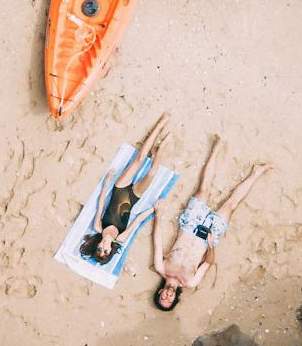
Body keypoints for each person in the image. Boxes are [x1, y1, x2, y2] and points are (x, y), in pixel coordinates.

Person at [151, 133, 269, 311]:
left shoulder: (161, 267)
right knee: (230, 205)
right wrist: (212, 245)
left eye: (163, 298)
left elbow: (157, 240)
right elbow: (207, 264)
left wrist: (159, 215)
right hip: (207, 239)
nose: (167, 296)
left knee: (204, 190)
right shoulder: (190, 281)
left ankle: (217, 147)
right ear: (175, 298)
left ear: (159, 292)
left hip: (189, 225)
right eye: (170, 300)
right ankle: (257, 172)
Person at [79, 113, 173, 263]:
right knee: (152, 174)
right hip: (134, 196)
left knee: (140, 159)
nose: (103, 247)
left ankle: (159, 125)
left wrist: (106, 183)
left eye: (99, 249)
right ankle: (160, 148)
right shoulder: (121, 237)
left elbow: (101, 204)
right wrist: (154, 209)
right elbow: (137, 220)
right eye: (106, 251)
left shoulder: (98, 227)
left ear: (96, 245)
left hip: (120, 188)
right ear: (111, 251)